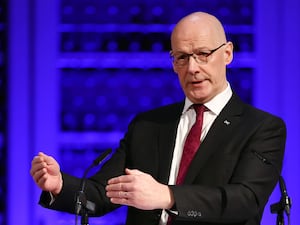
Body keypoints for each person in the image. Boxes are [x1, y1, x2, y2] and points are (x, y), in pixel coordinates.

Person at [30, 11, 286, 225]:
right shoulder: (148, 125)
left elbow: (245, 201)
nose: (193, 68)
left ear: (227, 53)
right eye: (182, 58)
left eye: (203, 54)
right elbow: (102, 194)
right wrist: (60, 185)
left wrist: (167, 196)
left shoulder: (261, 128)